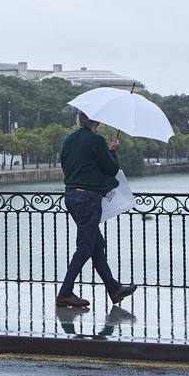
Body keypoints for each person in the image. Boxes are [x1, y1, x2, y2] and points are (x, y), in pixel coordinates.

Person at [56, 111, 137, 309]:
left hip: (71, 196)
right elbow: (110, 168)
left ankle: (114, 288)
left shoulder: (69, 140)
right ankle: (65, 293)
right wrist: (112, 151)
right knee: (85, 247)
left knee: (95, 244)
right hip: (88, 198)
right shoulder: (96, 140)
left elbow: (66, 166)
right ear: (97, 121)